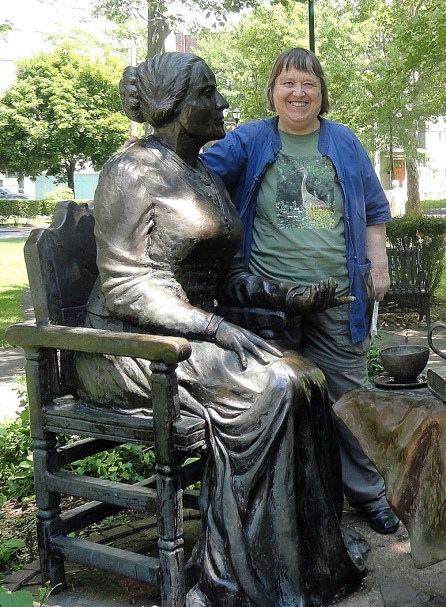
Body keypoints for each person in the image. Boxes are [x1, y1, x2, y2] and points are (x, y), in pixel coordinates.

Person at [74, 52, 366, 605]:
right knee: (274, 388)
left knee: (307, 379)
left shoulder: (203, 175)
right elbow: (126, 287)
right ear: (175, 107)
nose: (221, 102)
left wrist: (284, 294)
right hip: (127, 346)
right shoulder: (131, 172)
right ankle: (233, 577)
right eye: (207, 93)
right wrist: (212, 327)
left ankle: (302, 563)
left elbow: (229, 275)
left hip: (194, 337)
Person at [202, 48, 399, 535]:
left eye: (308, 83)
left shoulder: (345, 142)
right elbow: (194, 174)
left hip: (338, 297)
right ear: (272, 92)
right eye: (288, 82)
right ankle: (285, 507)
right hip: (270, 303)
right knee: (275, 404)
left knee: (349, 399)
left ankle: (368, 494)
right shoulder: (250, 139)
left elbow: (374, 209)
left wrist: (379, 264)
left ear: (321, 93)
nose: (298, 92)